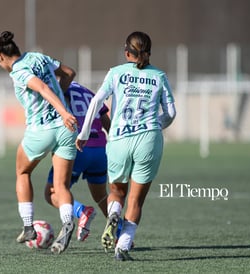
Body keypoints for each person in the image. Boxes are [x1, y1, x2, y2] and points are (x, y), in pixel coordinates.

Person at [76, 31, 176, 261]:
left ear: (126, 52)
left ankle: (113, 214)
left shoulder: (116, 73)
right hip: (148, 140)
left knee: (117, 193)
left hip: (119, 138)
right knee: (136, 200)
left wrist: (83, 133)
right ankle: (123, 245)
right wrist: (153, 126)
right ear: (149, 52)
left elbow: (96, 101)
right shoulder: (159, 76)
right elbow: (170, 113)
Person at [0, 31, 78, 254]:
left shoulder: (18, 70)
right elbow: (69, 73)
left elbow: (42, 88)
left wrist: (59, 109)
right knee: (61, 186)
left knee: (22, 171)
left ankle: (28, 226)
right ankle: (67, 221)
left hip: (42, 130)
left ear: (0, 56)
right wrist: (63, 108)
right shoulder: (39, 57)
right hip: (67, 130)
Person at [45, 81, 110, 242]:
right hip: (100, 149)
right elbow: (105, 119)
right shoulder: (88, 92)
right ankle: (121, 232)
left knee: (52, 192)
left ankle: (81, 211)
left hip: (76, 147)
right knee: (102, 197)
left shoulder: (57, 90)